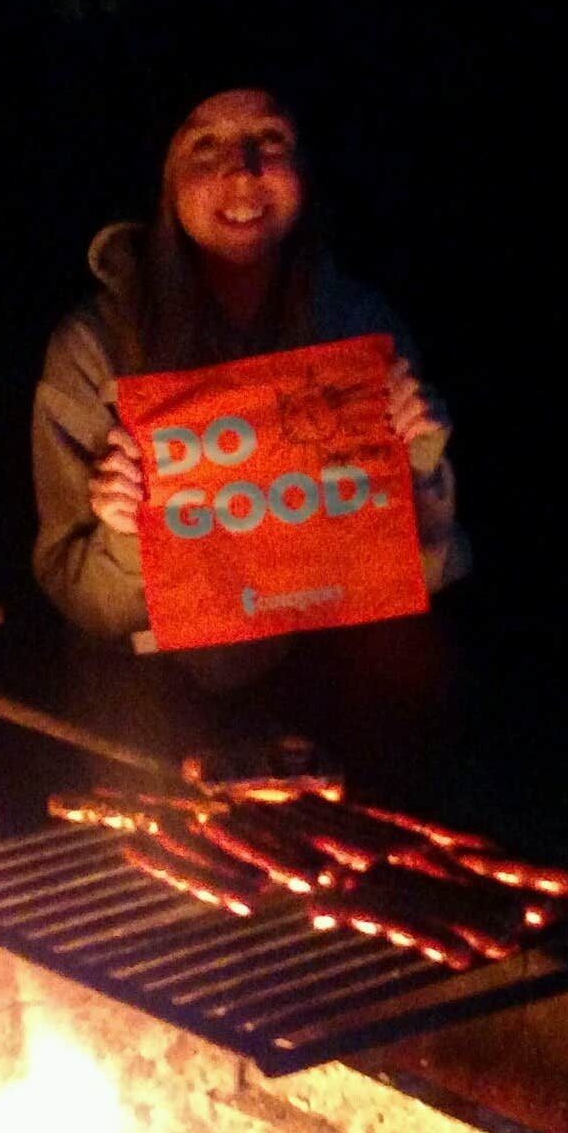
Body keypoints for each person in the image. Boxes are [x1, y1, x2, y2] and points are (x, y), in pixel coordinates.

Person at [31, 80, 471, 689]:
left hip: (340, 684)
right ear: (163, 174)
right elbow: (86, 607)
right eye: (204, 146)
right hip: (153, 701)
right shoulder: (94, 350)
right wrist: (128, 535)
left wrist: (417, 467)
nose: (243, 173)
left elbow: (425, 578)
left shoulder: (360, 328)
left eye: (269, 138)